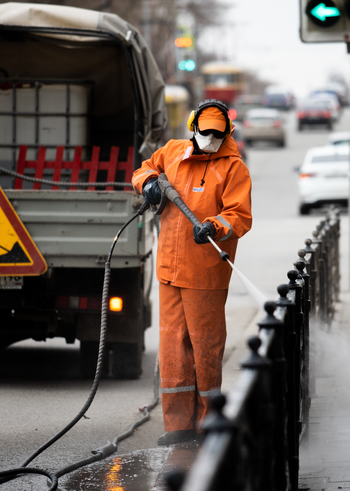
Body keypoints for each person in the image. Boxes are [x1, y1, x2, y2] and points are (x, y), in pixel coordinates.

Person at [132, 99, 252, 446]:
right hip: (170, 271)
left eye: (217, 134)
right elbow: (142, 170)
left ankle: (207, 423)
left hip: (205, 274)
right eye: (205, 132)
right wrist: (150, 184)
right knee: (172, 347)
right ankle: (178, 425)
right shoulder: (172, 152)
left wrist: (214, 227)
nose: (210, 139)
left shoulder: (233, 168)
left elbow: (239, 215)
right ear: (193, 128)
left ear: (226, 133)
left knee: (205, 347)